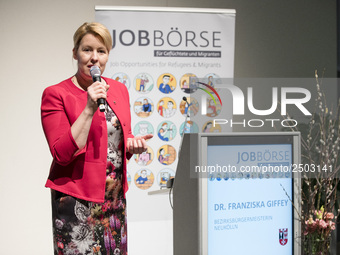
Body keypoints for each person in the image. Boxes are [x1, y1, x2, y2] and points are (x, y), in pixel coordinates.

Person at [41, 22, 152, 255]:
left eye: (101, 51)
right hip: (76, 200)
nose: (94, 58)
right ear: (75, 53)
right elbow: (61, 154)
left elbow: (121, 137)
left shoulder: (119, 89)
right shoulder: (56, 94)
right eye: (87, 50)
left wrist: (133, 145)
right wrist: (89, 107)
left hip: (114, 200)